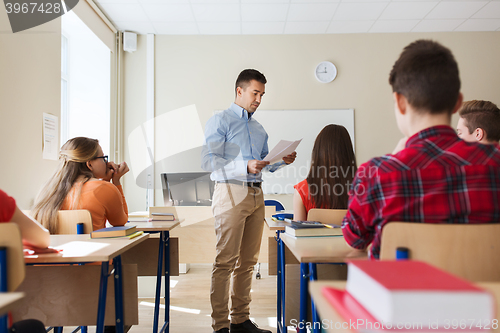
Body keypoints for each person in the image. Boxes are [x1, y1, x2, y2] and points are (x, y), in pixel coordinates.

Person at [342, 39, 500, 259]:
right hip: (486, 293)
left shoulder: (375, 173)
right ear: (457, 103)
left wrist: (395, 158)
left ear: (400, 102)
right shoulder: (495, 162)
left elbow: (354, 239)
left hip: (399, 291)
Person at [202, 69, 296, 333]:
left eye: (262, 94)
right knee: (225, 262)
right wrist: (245, 165)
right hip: (230, 191)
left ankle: (239, 320)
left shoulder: (258, 128)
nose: (259, 99)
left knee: (248, 263)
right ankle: (220, 326)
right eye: (255, 93)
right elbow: (211, 164)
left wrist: (280, 160)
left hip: (256, 194)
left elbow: (263, 164)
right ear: (239, 91)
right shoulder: (220, 121)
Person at [32, 137, 129, 233]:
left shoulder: (48, 189)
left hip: (60, 247)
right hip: (94, 247)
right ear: (89, 164)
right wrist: (116, 181)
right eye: (103, 158)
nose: (107, 163)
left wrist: (106, 181)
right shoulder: (105, 189)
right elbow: (120, 222)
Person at [293, 124, 357, 221]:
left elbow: (297, 234)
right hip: (349, 236)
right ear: (348, 153)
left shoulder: (302, 191)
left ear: (317, 153)